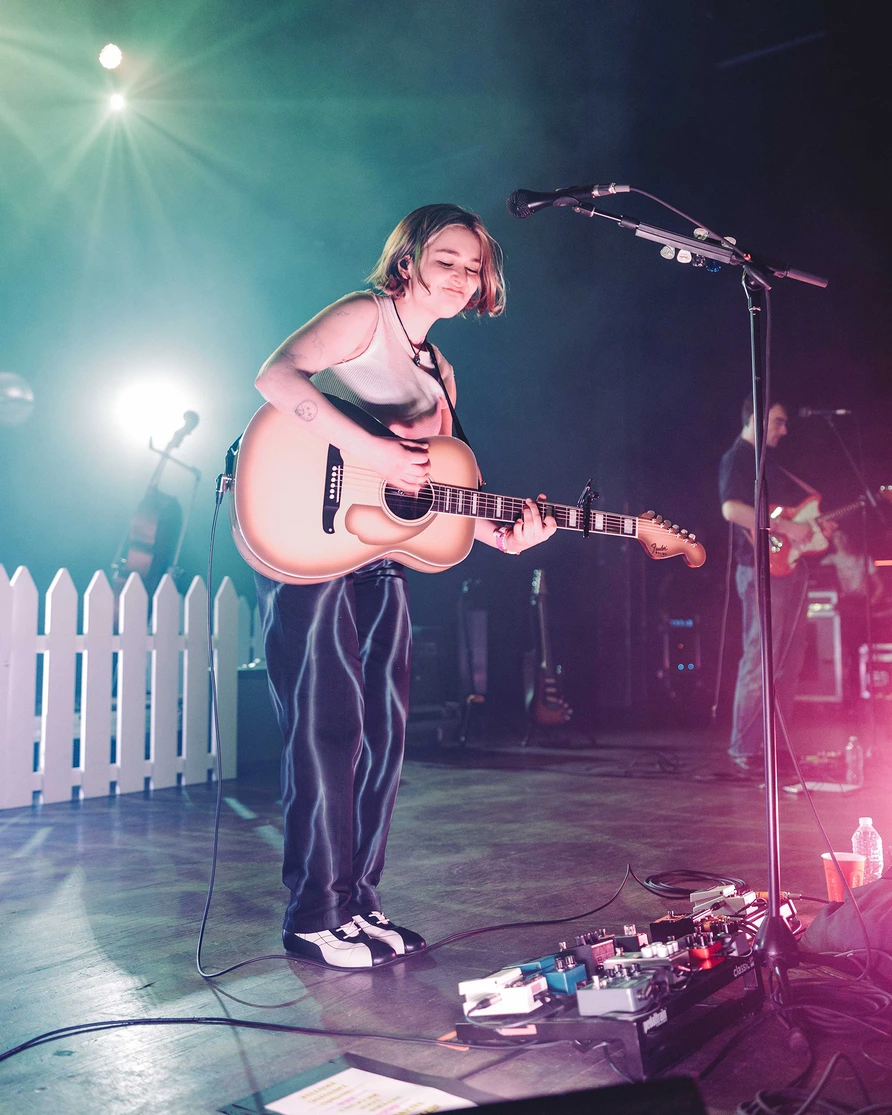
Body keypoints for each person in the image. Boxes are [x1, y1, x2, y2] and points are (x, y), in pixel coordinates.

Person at [251, 204, 557, 968]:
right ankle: (313, 914)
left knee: (383, 734)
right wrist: (369, 450)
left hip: (381, 555)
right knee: (328, 729)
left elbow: (432, 496)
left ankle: (357, 904)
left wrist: (503, 534)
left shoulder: (442, 372)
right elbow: (273, 375)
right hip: (313, 540)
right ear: (409, 261)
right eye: (447, 259)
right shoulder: (366, 316)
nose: (462, 275)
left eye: (475, 265)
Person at [719, 398, 818, 776]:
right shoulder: (738, 458)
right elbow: (731, 510)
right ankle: (746, 749)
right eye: (778, 421)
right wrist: (788, 528)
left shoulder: (771, 463)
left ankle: (774, 747)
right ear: (755, 419)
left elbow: (791, 515)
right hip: (758, 571)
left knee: (789, 663)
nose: (784, 429)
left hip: (787, 569)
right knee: (760, 659)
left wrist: (811, 529)